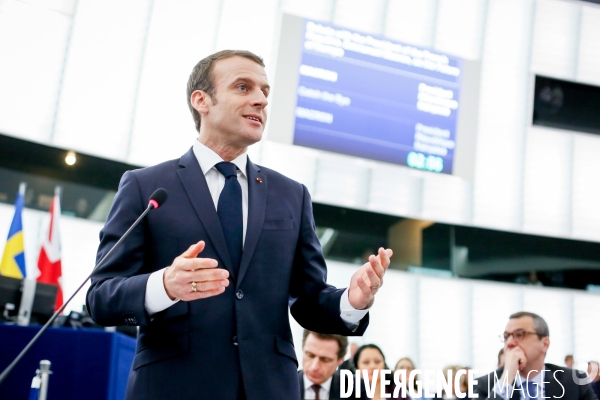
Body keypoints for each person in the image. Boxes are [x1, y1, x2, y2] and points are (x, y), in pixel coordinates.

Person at [85, 49, 393, 400]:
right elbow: (101, 298)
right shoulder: (146, 187)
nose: (261, 100)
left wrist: (351, 301)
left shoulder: (292, 195)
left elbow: (308, 300)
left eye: (265, 91)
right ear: (201, 100)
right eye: (244, 88)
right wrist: (165, 285)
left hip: (268, 389)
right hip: (174, 387)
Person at [472, 312, 597, 399]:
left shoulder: (573, 381)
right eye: (506, 337)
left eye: (519, 334)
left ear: (544, 344)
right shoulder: (486, 385)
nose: (509, 343)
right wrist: (507, 378)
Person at [298, 330, 367, 399]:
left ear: (341, 359)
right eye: (310, 355)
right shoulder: (287, 383)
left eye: (325, 360)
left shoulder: (356, 387)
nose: (314, 367)